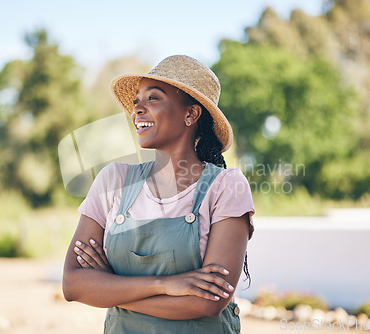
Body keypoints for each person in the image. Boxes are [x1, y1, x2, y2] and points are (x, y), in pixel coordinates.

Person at [62, 55, 255, 333]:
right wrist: (165, 285)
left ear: (191, 114)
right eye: (136, 101)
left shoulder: (226, 187)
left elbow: (210, 302)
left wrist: (111, 287)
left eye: (153, 98)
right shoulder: (113, 180)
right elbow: (72, 285)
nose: (137, 109)